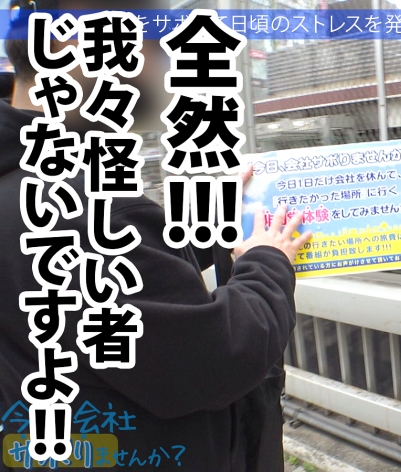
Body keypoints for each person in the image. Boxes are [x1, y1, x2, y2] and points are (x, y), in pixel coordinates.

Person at [0, 1, 311, 470]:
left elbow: (135, 289)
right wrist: (268, 262)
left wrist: (208, 220)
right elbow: (213, 360)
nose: (163, 68)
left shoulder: (27, 179)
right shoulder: (83, 208)